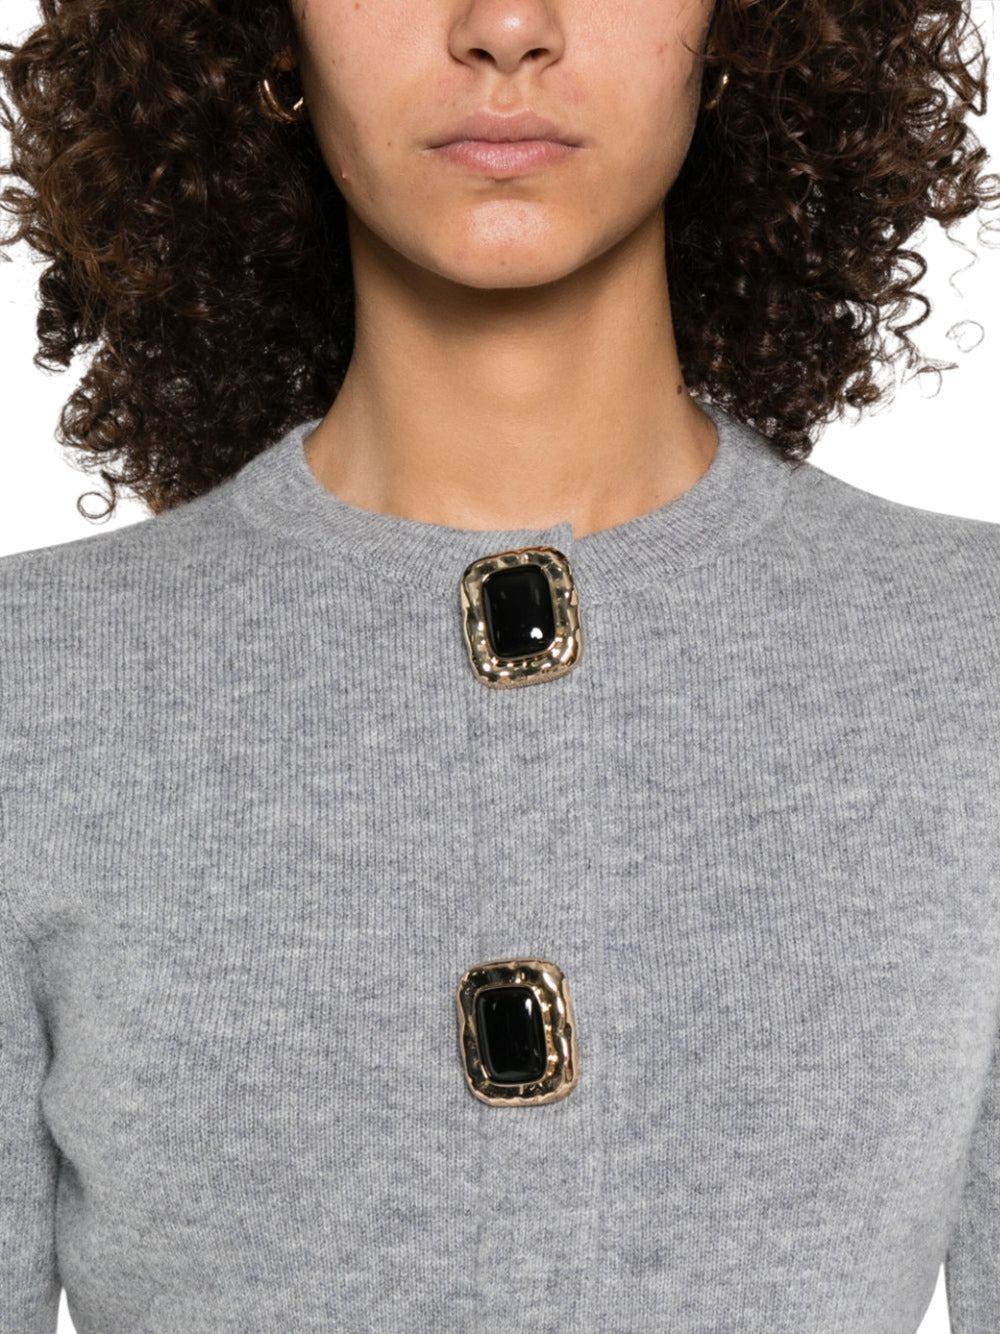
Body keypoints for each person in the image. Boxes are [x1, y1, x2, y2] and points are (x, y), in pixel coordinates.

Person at [0, 1, 998, 1330]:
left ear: (751, 24)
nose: (508, 26)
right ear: (263, 28)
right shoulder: (31, 682)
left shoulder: (971, 654)